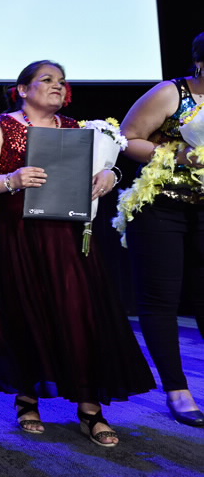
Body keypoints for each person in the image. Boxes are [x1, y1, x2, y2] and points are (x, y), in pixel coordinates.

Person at [0, 60, 154, 447]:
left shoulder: (77, 129)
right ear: (22, 89)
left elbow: (106, 167)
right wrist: (10, 179)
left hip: (67, 235)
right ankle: (27, 398)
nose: (58, 86)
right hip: (18, 235)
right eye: (46, 80)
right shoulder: (3, 126)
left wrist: (110, 175)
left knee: (80, 314)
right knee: (25, 312)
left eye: (62, 81)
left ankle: (90, 407)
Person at [118, 33, 204, 427]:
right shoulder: (172, 93)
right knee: (161, 300)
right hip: (161, 206)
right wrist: (178, 155)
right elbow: (127, 138)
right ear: (200, 63)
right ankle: (177, 390)